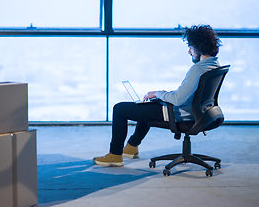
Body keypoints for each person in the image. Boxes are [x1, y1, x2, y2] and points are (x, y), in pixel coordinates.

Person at [93, 24, 222, 167]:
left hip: (179, 114)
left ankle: (115, 155)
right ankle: (131, 146)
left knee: (119, 109)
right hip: (197, 113)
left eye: (190, 47)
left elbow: (178, 99)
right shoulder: (215, 65)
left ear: (198, 46)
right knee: (146, 105)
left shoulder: (197, 69)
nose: (189, 52)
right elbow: (188, 94)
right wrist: (163, 95)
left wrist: (157, 93)